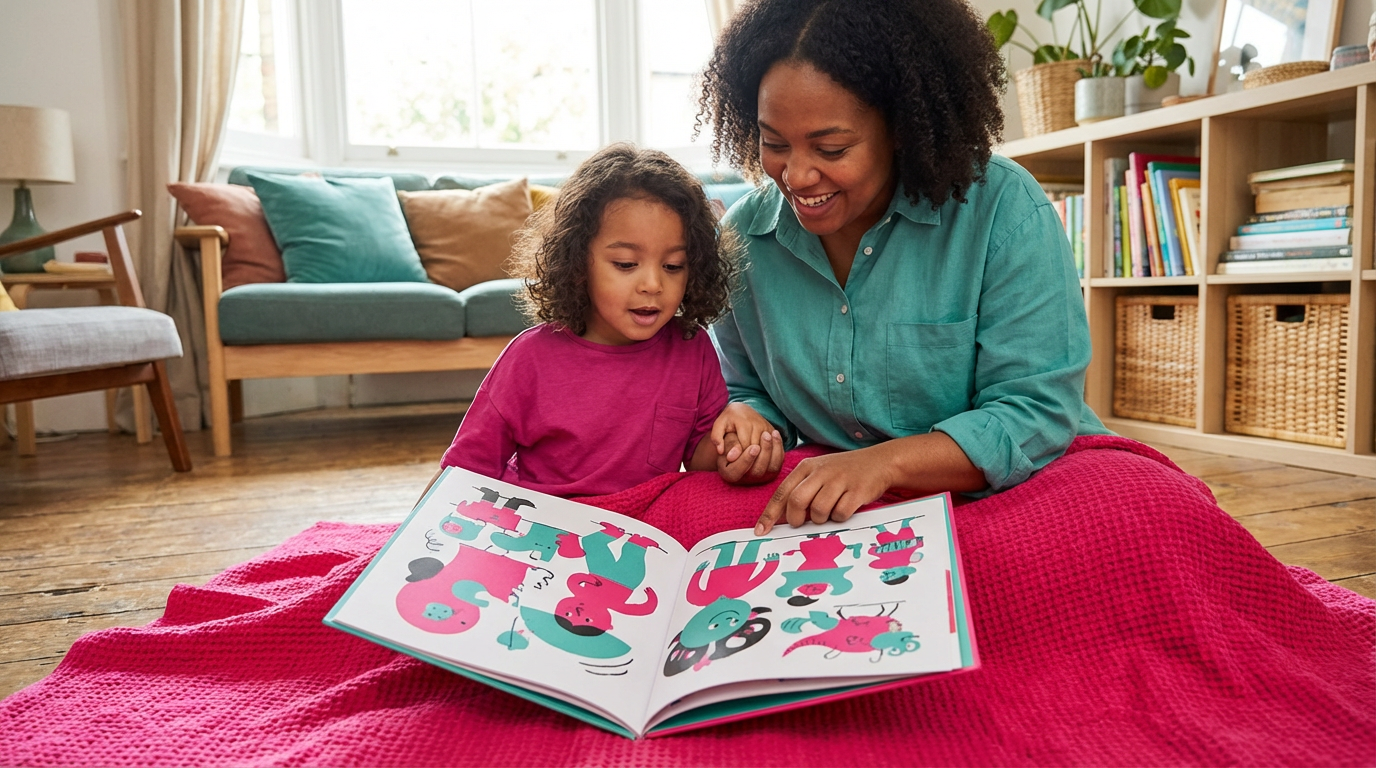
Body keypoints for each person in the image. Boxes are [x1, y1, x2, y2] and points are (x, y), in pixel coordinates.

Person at [695, 0, 1112, 534]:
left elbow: (1037, 409)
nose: (796, 175)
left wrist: (884, 464)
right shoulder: (744, 240)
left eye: (832, 147)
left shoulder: (1004, 209)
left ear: (902, 127)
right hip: (835, 488)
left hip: (1014, 481)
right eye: (774, 143)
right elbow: (742, 387)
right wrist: (751, 424)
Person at [434, 143, 778, 498]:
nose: (653, 285)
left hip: (644, 523)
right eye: (626, 264)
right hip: (543, 528)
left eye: (673, 266)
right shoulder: (529, 358)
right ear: (578, 263)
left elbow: (700, 460)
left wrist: (736, 437)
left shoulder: (693, 347)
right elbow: (464, 470)